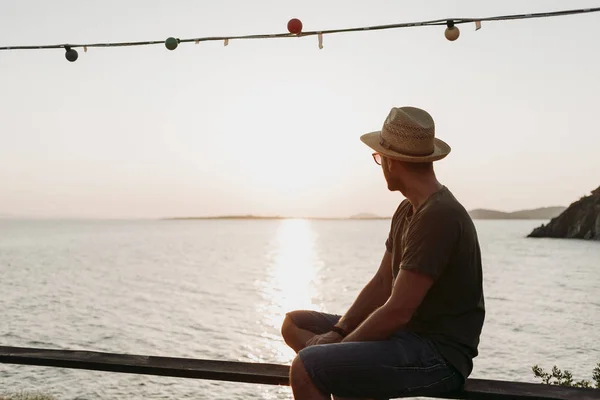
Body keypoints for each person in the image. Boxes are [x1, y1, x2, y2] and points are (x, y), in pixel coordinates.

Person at [281, 106, 485, 399]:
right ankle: (349, 374)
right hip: (405, 338)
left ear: (392, 161)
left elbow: (398, 311)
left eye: (379, 158)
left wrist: (341, 349)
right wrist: (339, 332)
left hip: (438, 356)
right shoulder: (407, 210)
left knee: (306, 367)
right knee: (295, 324)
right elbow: (381, 284)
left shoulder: (439, 216)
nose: (380, 166)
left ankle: (342, 372)